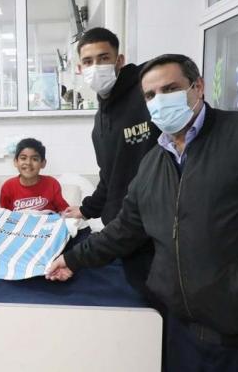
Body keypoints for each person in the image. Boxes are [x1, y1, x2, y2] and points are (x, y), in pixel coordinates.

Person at [47, 54, 238, 372]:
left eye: (170, 89)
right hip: (184, 335)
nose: (160, 100)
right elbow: (124, 229)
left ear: (198, 87)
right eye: (150, 95)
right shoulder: (152, 165)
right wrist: (72, 259)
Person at [63, 27, 158, 293]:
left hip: (156, 228)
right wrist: (87, 209)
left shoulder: (146, 94)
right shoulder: (100, 123)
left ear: (119, 60)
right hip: (123, 230)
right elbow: (110, 175)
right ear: (80, 68)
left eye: (104, 58)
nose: (96, 67)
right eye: (88, 61)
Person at [0, 138, 69, 213]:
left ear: (43, 163)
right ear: (15, 162)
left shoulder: (52, 184)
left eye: (34, 159)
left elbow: (65, 211)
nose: (28, 163)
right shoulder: (8, 187)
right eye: (23, 158)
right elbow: (4, 215)